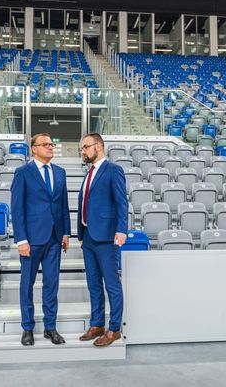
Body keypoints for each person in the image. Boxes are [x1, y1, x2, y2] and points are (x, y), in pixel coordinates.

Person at [11, 133, 71, 346]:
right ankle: (27, 327)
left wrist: (66, 233)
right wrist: (21, 240)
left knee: (51, 284)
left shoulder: (60, 172)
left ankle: (50, 327)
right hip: (31, 239)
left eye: (51, 144)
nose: (50, 147)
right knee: (27, 284)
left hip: (54, 238)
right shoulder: (23, 173)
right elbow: (17, 208)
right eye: (45, 144)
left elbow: (63, 205)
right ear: (33, 148)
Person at [77, 133, 128, 347]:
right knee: (93, 284)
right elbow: (83, 203)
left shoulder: (113, 170)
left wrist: (121, 230)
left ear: (98, 146)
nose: (82, 151)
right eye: (82, 148)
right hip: (88, 236)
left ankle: (114, 328)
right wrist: (81, 234)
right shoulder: (88, 173)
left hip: (106, 236)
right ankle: (97, 324)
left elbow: (121, 202)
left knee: (112, 285)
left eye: (85, 147)